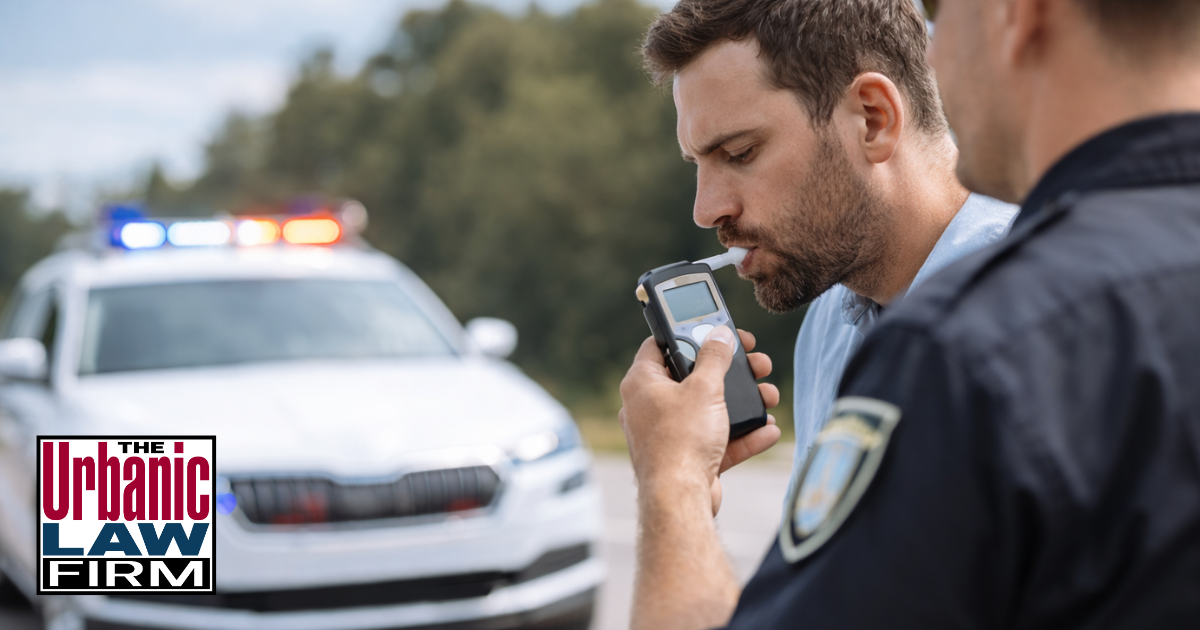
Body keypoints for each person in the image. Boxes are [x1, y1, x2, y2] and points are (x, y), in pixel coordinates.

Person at [618, 0, 1200, 626]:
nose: (707, 210)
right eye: (697, 164)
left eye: (739, 152)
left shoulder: (958, 347)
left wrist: (672, 481)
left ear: (872, 119)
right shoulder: (832, 324)